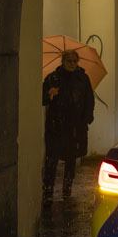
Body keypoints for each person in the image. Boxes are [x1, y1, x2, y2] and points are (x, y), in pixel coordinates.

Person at [42, 50, 94, 204]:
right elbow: (42, 97)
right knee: (52, 157)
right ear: (63, 62)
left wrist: (86, 119)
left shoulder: (83, 79)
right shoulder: (53, 78)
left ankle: (67, 189)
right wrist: (49, 94)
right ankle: (48, 190)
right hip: (56, 125)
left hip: (74, 126)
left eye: (74, 61)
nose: (72, 64)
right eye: (69, 61)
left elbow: (89, 100)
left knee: (71, 158)